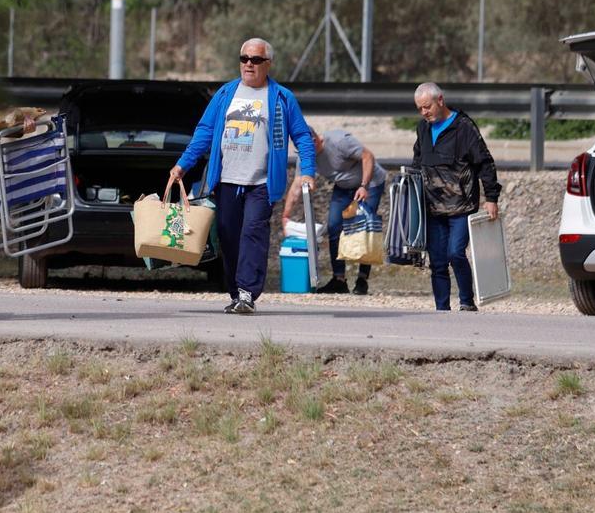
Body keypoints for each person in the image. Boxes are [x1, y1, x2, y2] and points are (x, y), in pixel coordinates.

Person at [169, 38, 317, 314]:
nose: (249, 64)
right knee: (228, 236)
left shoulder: (282, 98)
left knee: (252, 233)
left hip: (261, 182)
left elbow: (303, 138)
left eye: (256, 60)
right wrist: (183, 165)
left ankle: (248, 293)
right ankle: (237, 293)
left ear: (268, 64)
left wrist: (307, 171)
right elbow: (204, 132)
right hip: (226, 181)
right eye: (244, 59)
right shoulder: (225, 94)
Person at [412, 82, 501, 312]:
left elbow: (485, 162)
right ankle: (442, 310)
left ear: (440, 100)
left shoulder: (464, 127)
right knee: (438, 262)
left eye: (427, 107)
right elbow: (417, 162)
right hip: (432, 208)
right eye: (420, 108)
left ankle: (466, 302)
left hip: (461, 207)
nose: (424, 113)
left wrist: (491, 197)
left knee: (455, 253)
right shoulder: (422, 128)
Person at [281, 129, 387, 295]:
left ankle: (362, 279)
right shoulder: (305, 156)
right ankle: (339, 279)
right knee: (333, 226)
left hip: (370, 181)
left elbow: (368, 156)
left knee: (366, 228)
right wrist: (285, 215)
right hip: (344, 185)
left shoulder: (339, 141)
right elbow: (297, 184)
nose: (304, 153)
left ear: (316, 141)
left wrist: (364, 186)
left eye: (306, 148)